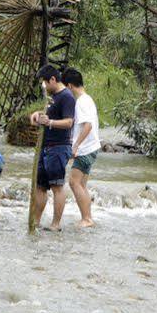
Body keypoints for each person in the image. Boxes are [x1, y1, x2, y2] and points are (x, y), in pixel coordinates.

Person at [26, 66, 77, 232]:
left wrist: (50, 123)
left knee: (56, 186)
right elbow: (50, 114)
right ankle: (36, 221)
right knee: (40, 186)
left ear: (53, 80)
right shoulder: (53, 96)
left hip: (58, 147)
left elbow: (69, 122)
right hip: (45, 146)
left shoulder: (67, 97)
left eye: (45, 82)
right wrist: (37, 114)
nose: (44, 86)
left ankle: (55, 224)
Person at [63, 67, 101, 228]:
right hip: (92, 147)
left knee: (74, 182)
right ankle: (87, 218)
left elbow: (87, 126)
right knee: (81, 184)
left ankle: (86, 218)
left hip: (86, 148)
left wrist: (75, 146)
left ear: (70, 86)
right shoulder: (87, 99)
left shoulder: (81, 102)